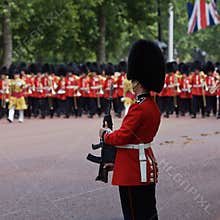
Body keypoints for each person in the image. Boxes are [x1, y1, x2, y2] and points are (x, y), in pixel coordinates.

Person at [99, 39, 165, 220]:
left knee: (134, 215)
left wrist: (106, 135)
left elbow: (124, 137)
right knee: (148, 214)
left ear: (138, 82)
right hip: (142, 165)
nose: (131, 84)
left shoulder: (139, 107)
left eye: (133, 80)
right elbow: (136, 140)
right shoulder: (151, 105)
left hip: (133, 171)